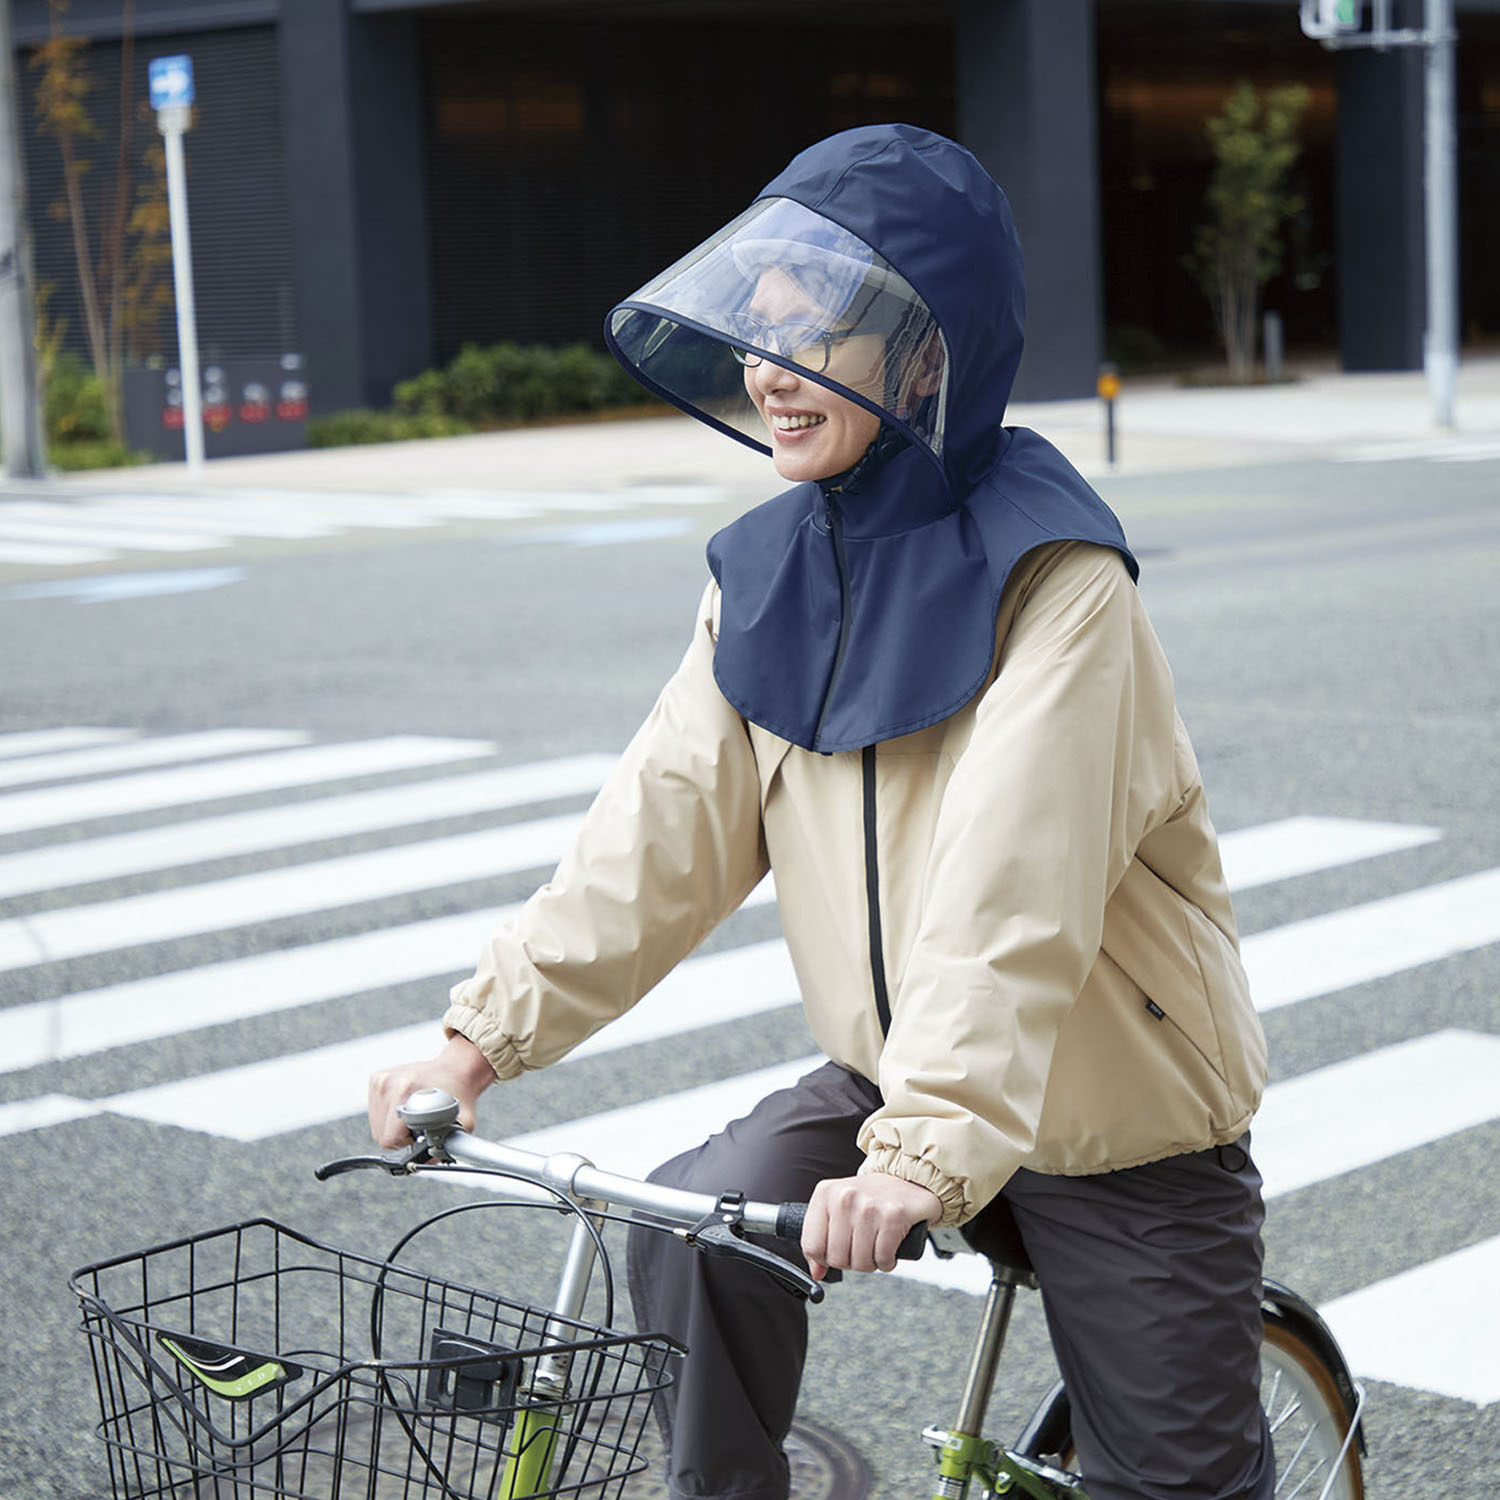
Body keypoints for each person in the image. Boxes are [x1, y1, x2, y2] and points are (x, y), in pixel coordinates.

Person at [369, 124, 1274, 1500]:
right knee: (689, 1233)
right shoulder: (769, 568)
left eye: (810, 331)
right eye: (755, 327)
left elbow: (1011, 890)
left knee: (1173, 1489)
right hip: (901, 1070)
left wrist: (919, 1153)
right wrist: (478, 1039)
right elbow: (658, 831)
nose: (763, 370)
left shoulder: (1062, 578)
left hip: (1118, 1110)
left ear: (929, 350)